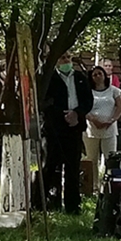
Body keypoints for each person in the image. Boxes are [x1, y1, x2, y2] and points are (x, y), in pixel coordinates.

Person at [40, 56, 90, 214]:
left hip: (74, 127)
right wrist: (61, 115)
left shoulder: (80, 78)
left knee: (73, 168)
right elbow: (44, 102)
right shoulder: (49, 78)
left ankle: (73, 206)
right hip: (54, 128)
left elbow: (88, 100)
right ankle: (43, 203)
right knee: (50, 166)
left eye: (68, 57)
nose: (66, 61)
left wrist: (77, 114)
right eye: (62, 58)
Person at [82, 64, 121, 207]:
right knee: (92, 159)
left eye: (100, 73)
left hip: (109, 129)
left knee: (110, 159)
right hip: (91, 129)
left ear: (104, 75)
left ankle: (108, 186)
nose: (97, 76)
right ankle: (93, 187)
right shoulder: (87, 91)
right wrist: (93, 119)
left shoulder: (114, 90)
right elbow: (83, 108)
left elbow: (120, 106)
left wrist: (111, 120)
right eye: (94, 74)